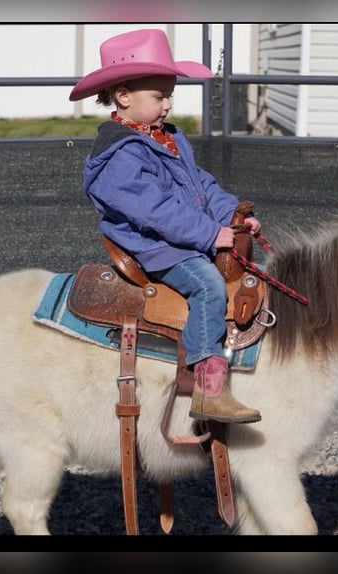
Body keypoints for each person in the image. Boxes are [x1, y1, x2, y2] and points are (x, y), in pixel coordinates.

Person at [69, 28, 261, 424]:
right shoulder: (119, 156)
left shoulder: (167, 138)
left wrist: (231, 216)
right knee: (208, 284)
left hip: (180, 238)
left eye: (170, 95)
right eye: (159, 96)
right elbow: (155, 211)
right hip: (155, 247)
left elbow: (201, 184)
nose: (168, 105)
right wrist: (209, 234)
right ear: (124, 96)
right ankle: (208, 388)